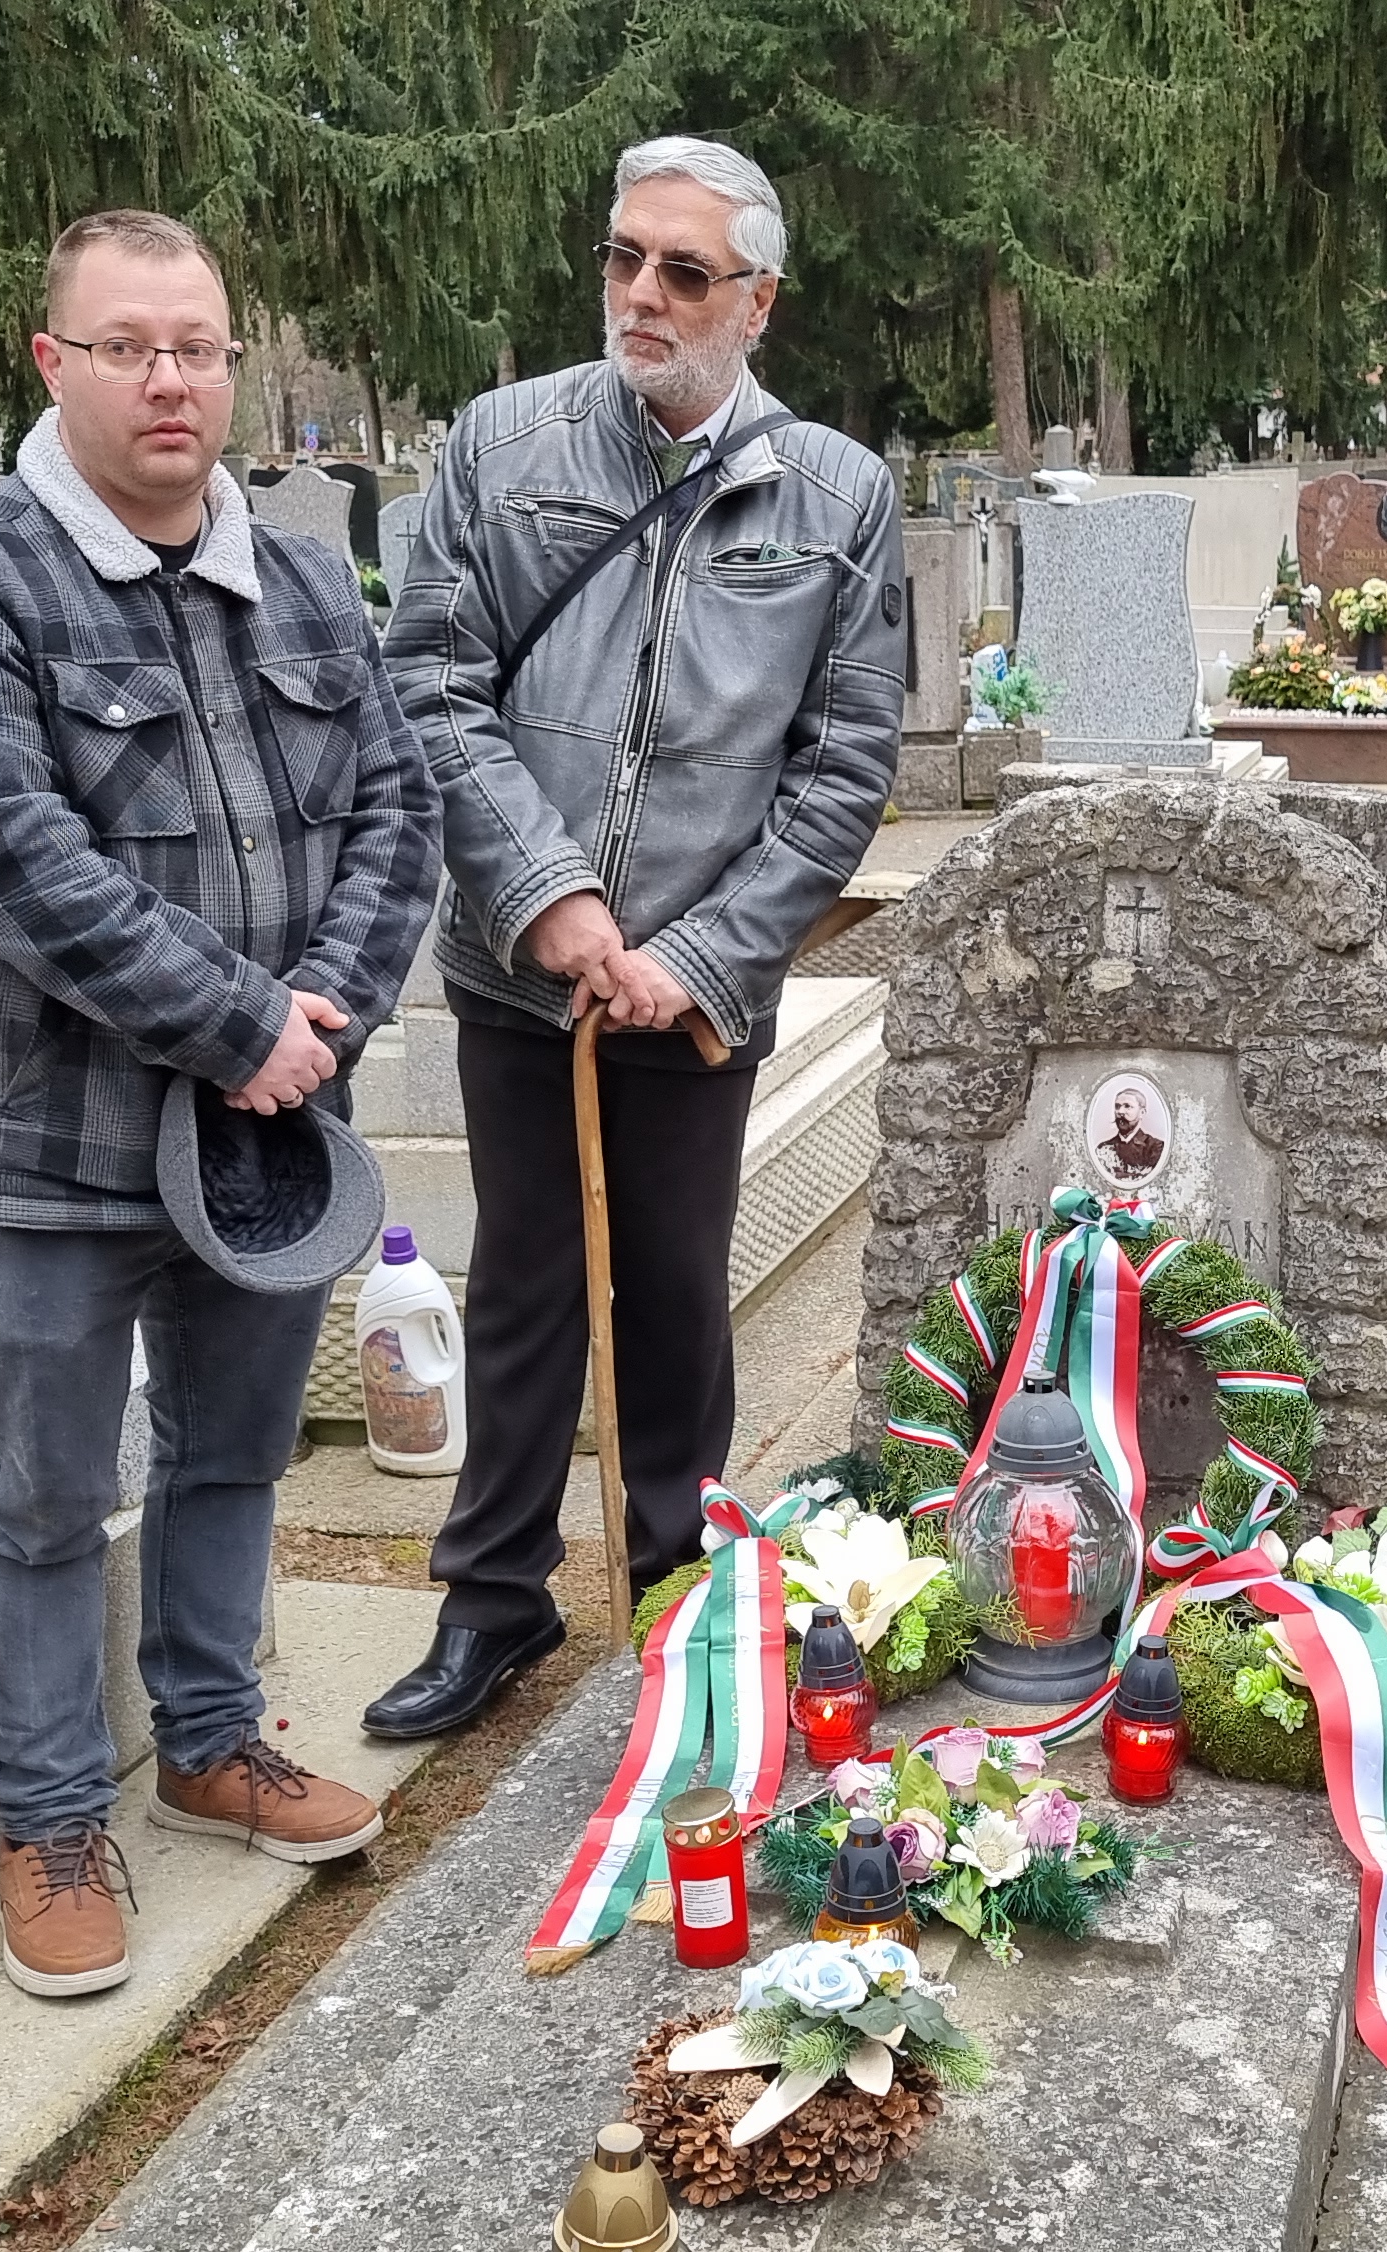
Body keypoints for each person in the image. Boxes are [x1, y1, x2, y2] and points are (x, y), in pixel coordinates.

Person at [0, 209, 443, 1995]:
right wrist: (239, 1022)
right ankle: (50, 1821)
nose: (169, 380)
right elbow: (3, 855)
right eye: (127, 346)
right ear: (55, 363)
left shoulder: (307, 581)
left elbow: (398, 808)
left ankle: (209, 1742)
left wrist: (319, 1018)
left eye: (196, 346)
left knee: (236, 1452)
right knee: (46, 1493)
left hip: (261, 1138)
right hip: (50, 1145)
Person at [360, 135, 905, 1738]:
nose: (642, 294)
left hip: (693, 981)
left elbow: (844, 763)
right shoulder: (506, 441)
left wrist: (702, 953)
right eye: (623, 258)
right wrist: (553, 899)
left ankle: (678, 1591)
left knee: (671, 1285)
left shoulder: (837, 493)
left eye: (684, 270)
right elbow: (433, 682)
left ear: (759, 302)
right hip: (521, 960)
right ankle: (495, 1598)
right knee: (525, 1279)